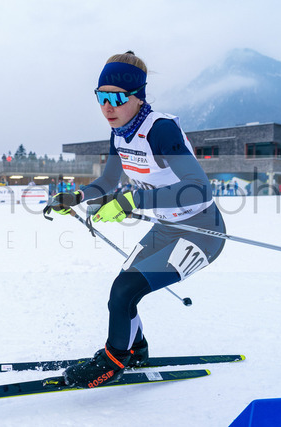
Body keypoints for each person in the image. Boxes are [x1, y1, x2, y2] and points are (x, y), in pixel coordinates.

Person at [44, 51, 226, 389]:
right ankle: (136, 349)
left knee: (124, 290)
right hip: (167, 227)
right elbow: (108, 181)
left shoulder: (160, 130)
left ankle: (113, 362)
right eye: (101, 97)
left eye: (116, 98)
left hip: (201, 231)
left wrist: (133, 200)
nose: (107, 107)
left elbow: (199, 188)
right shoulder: (119, 133)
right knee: (122, 291)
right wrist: (77, 197)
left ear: (138, 96)